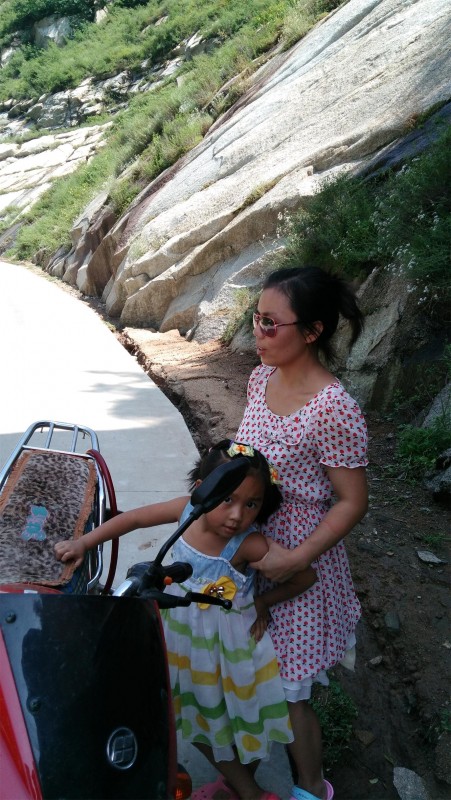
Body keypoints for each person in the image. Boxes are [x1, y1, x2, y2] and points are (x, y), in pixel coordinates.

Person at [55, 439, 317, 800]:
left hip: (220, 648)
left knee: (210, 714)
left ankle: (248, 790)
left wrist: (263, 601)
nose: (237, 516)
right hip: (177, 630)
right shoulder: (185, 511)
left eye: (251, 504)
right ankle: (244, 787)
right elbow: (133, 519)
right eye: (227, 499)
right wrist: (84, 543)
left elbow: (305, 576)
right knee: (188, 708)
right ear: (201, 490)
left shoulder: (247, 544)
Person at [233, 266, 369, 800]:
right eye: (256, 319)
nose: (258, 333)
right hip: (246, 548)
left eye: (271, 323)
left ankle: (312, 788)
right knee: (245, 665)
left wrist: (296, 558)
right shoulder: (260, 378)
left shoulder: (333, 407)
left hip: (300, 561)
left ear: (312, 332)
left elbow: (352, 501)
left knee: (290, 689)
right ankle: (245, 773)